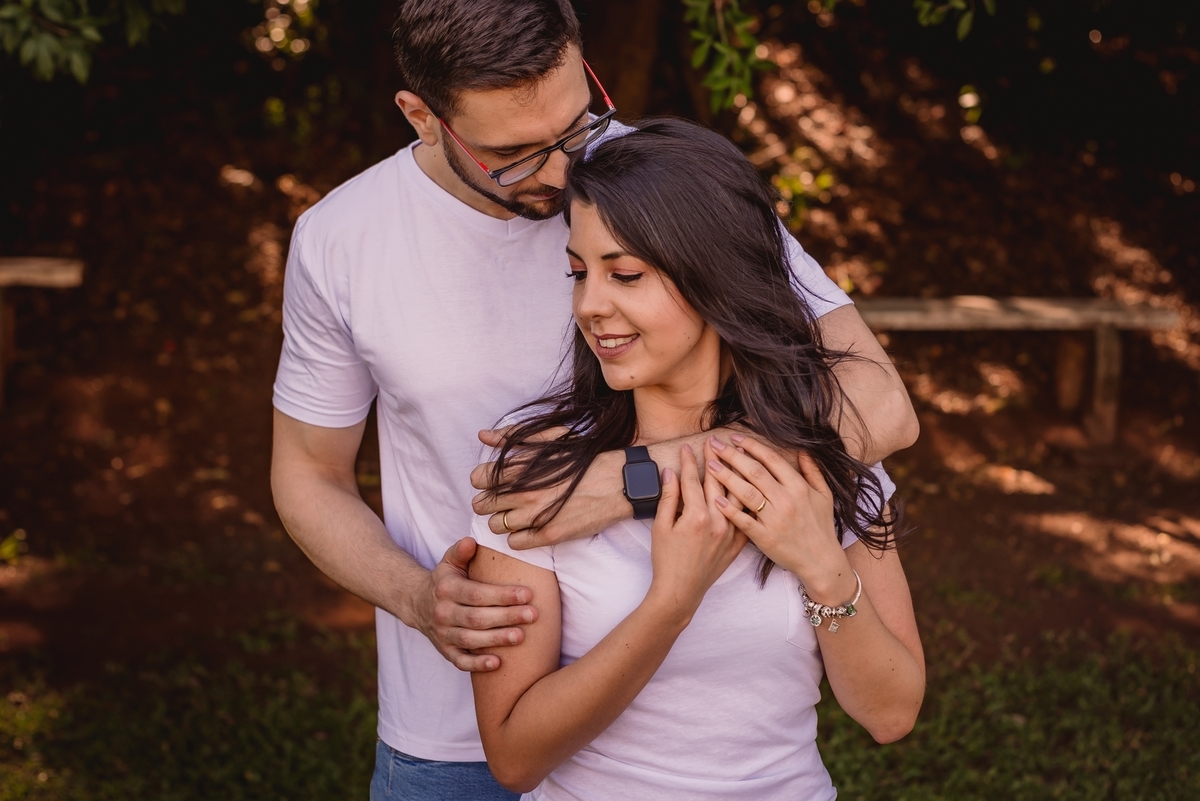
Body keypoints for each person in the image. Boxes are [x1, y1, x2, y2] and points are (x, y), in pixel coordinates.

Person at [269, 1, 918, 798]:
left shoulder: (661, 190)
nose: (561, 171)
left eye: (576, 124)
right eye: (513, 155)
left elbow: (882, 406)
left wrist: (632, 479)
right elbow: (309, 473)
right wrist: (419, 598)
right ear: (422, 118)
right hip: (452, 722)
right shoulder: (341, 239)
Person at [468, 118, 925, 800]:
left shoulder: (825, 449)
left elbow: (892, 713)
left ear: (717, 277)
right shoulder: (542, 469)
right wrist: (670, 603)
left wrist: (824, 571)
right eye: (579, 273)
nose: (590, 305)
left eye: (625, 274)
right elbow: (514, 755)